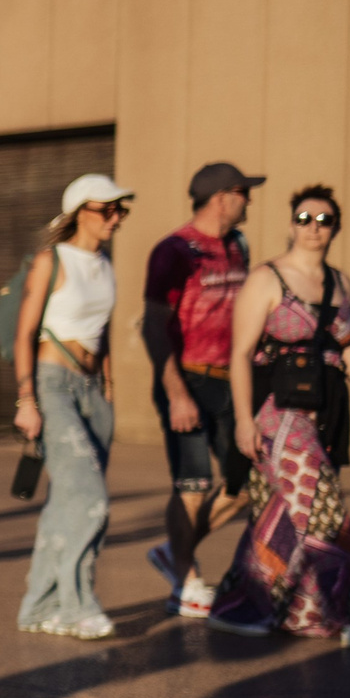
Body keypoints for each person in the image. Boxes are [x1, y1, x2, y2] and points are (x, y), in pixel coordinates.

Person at [208, 186, 350, 646]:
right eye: (304, 217)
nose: (313, 227)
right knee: (323, 510)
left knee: (278, 516)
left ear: (336, 226)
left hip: (325, 414)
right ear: (291, 222)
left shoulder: (342, 284)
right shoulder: (267, 278)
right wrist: (242, 419)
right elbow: (239, 354)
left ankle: (242, 609)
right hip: (277, 416)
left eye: (324, 219)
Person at [10, 175, 132, 640]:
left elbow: (102, 330)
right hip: (52, 386)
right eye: (107, 210)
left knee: (65, 504)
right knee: (90, 501)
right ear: (81, 210)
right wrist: (26, 400)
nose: (115, 218)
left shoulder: (104, 264)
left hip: (91, 391)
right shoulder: (51, 260)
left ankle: (39, 607)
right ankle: (79, 605)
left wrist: (110, 386)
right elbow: (25, 333)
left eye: (121, 210)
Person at [141, 162, 262, 619]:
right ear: (219, 198)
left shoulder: (238, 245)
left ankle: (175, 553)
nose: (248, 200)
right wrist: (175, 393)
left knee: (245, 483)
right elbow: (154, 326)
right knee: (193, 485)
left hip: (231, 380)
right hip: (187, 378)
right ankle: (185, 582)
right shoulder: (173, 251)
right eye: (242, 192)